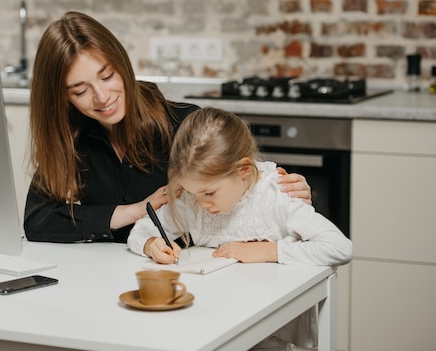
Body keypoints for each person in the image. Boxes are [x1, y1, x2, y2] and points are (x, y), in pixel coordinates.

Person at [24, 11, 312, 243]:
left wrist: (286, 198)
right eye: (80, 91)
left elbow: (244, 192)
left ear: (122, 64)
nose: (102, 97)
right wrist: (135, 211)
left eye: (107, 75)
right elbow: (38, 220)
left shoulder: (184, 125)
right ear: (63, 97)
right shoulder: (71, 138)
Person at [127, 107, 352, 351]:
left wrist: (266, 252)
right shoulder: (193, 201)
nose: (202, 203)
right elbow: (141, 231)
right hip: (212, 323)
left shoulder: (277, 194)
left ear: (243, 169)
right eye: (194, 193)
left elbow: (340, 248)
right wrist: (151, 245)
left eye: (209, 193)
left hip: (272, 330)